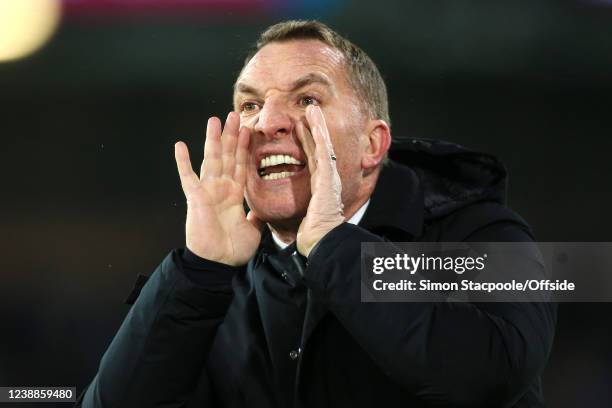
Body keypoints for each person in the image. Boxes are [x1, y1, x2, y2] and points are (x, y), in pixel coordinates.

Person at [78, 20, 556, 408]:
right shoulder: (216, 282)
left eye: (307, 99)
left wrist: (334, 248)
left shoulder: (485, 234)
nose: (267, 122)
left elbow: (491, 377)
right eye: (250, 104)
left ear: (373, 146)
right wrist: (198, 271)